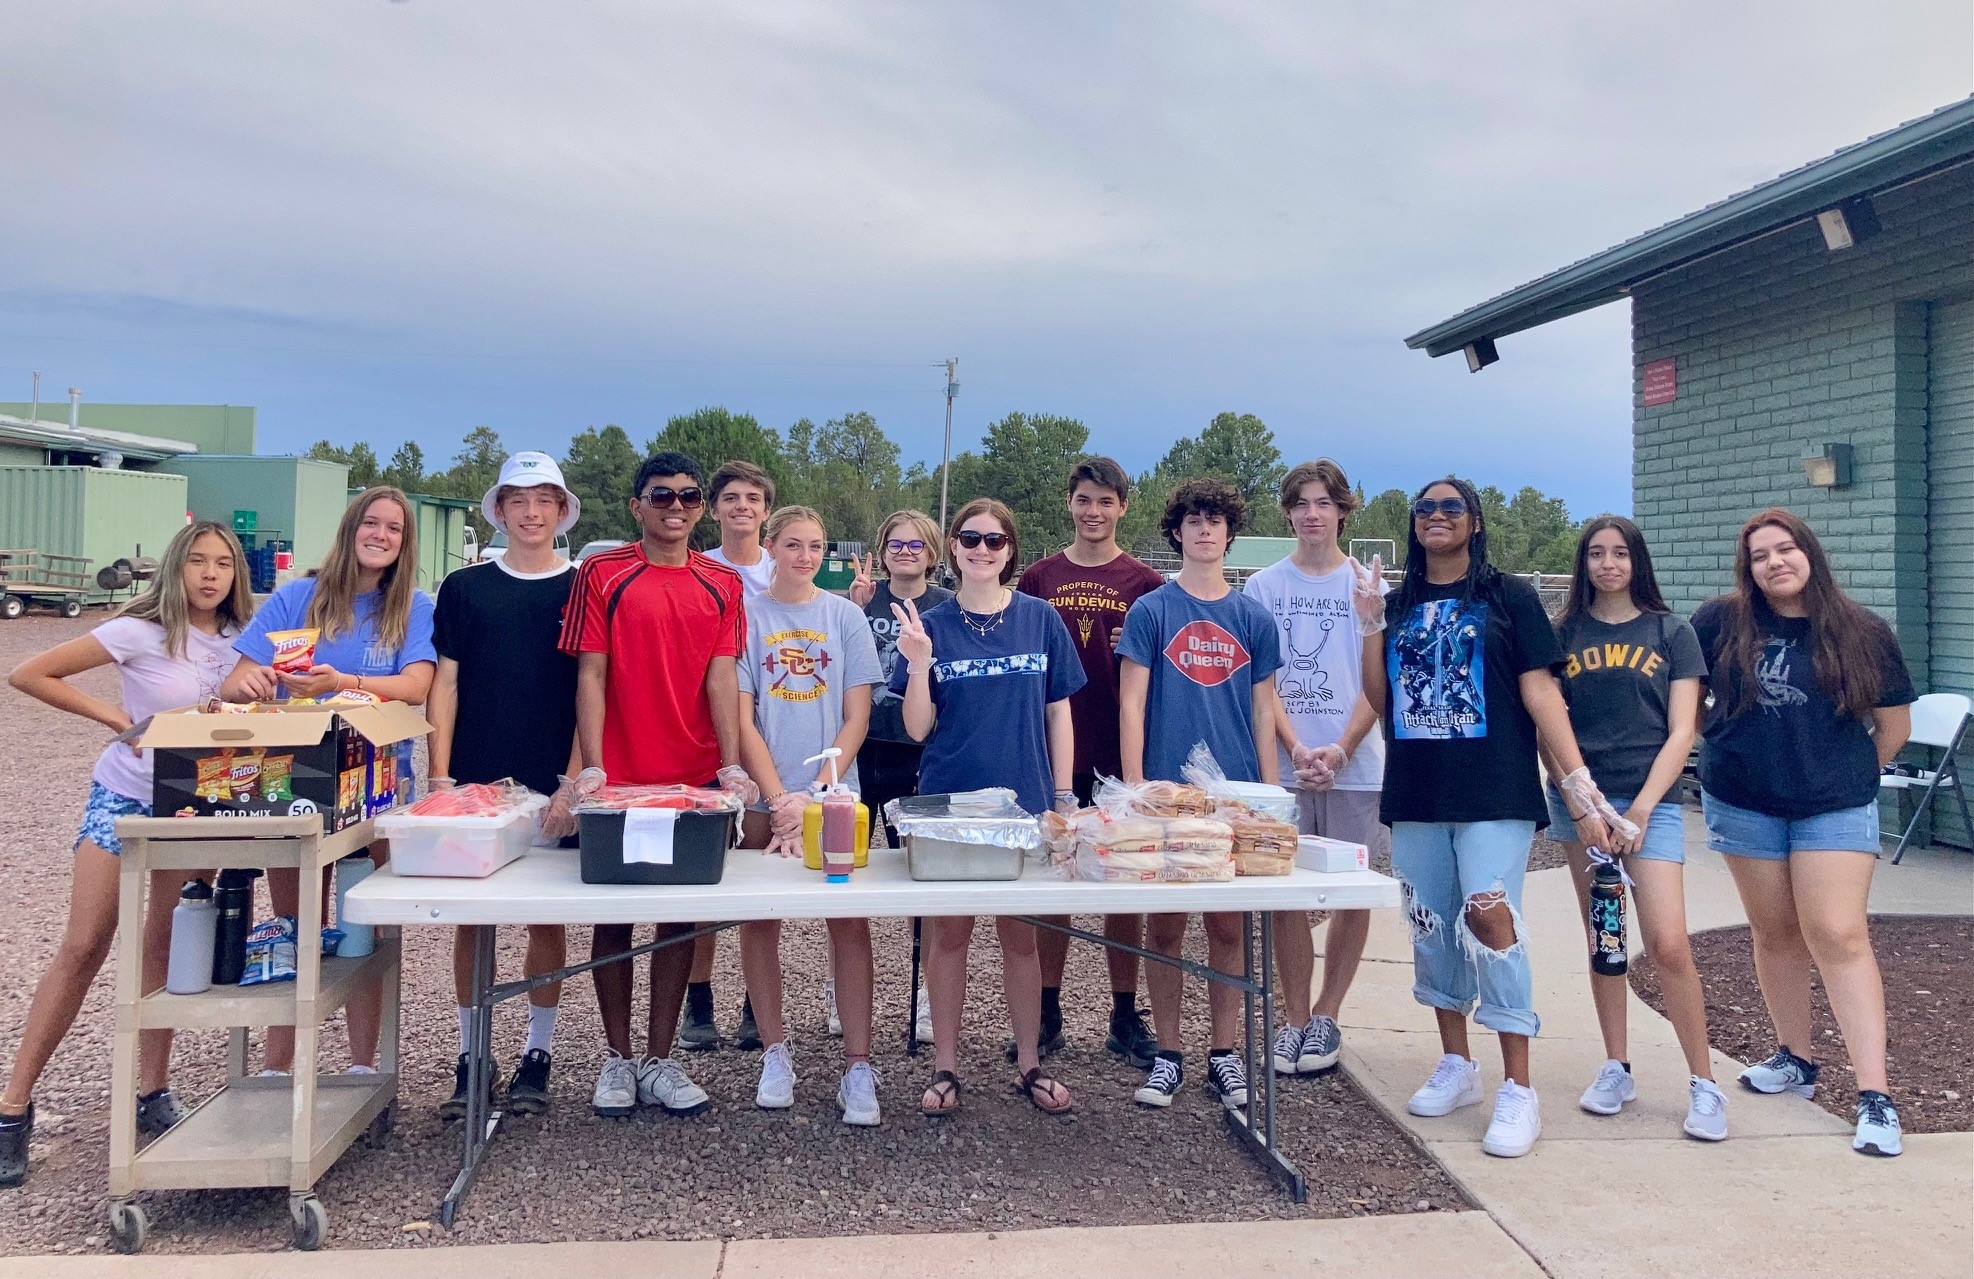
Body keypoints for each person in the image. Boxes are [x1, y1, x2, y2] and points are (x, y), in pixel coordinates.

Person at [1358, 477, 1627, 1160]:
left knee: (1488, 911)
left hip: (1496, 788)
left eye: (1451, 507)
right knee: (1430, 921)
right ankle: (1458, 1064)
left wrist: (1576, 782)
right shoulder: (1398, 602)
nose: (1437, 517)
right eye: (1425, 509)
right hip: (1418, 790)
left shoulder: (1509, 597)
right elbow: (1381, 699)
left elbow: (1542, 692)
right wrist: (1368, 625)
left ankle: (1518, 1085)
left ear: (1474, 522)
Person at [0, 522, 255, 1188]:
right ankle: (12, 1107)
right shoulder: (138, 632)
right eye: (197, 560)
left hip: (195, 804)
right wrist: (116, 720)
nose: (209, 574)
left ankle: (152, 1091)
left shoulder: (240, 642)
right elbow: (29, 672)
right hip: (125, 798)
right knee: (84, 944)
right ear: (175, 567)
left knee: (167, 946)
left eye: (222, 563)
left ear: (236, 575)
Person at [1691, 509, 1914, 1157]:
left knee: (1839, 934)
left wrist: (1843, 776)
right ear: (1748, 568)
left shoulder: (1861, 630)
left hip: (1833, 805)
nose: (1774, 562)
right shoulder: (1718, 622)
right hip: (1743, 801)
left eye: (1785, 548)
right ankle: (1796, 1058)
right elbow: (1689, 702)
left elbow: (1892, 726)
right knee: (1776, 932)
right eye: (1760, 555)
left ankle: (1875, 1096)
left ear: (1808, 553)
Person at [559, 452, 754, 1119]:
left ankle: (660, 1057)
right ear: (637, 504)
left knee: (678, 918)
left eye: (689, 496)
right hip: (619, 773)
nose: (676, 506)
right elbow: (591, 673)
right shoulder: (602, 572)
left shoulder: (722, 582)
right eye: (661, 495)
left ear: (701, 506)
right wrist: (590, 763)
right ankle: (616, 1058)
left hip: (691, 774)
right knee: (613, 916)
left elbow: (722, 676)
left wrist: (731, 763)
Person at [223, 486, 437, 1075]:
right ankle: (278, 1065)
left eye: (394, 529)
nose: (381, 535)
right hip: (295, 777)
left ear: (404, 543)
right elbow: (235, 678)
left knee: (363, 926)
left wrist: (341, 681)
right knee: (296, 925)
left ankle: (364, 1064)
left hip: (379, 781)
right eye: (372, 523)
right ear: (351, 529)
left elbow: (417, 686)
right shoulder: (297, 598)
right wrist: (253, 684)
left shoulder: (413, 607)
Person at [890, 498, 1085, 1118]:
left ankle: (1028, 1062)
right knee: (949, 936)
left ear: (1010, 550)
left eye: (994, 541)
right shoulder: (931, 625)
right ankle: (946, 1065)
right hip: (950, 803)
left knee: (1021, 938)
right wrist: (919, 667)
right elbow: (918, 729)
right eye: (970, 539)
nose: (981, 550)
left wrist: (1061, 797)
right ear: (952, 547)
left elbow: (1060, 712)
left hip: (1024, 803)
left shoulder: (1041, 619)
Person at [1539, 517, 1724, 1139]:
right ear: (1582, 562)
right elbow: (1548, 727)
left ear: (1637, 560)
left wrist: (1641, 810)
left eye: (1620, 553)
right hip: (1581, 806)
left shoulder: (1672, 632)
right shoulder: (1562, 633)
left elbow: (1683, 730)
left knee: (1668, 942)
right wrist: (1585, 805)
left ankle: (1704, 1083)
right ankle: (1617, 1065)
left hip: (1653, 804)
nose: (1608, 563)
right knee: (1606, 938)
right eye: (1596, 553)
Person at [428, 453, 584, 1119]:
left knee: (546, 921)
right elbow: (446, 683)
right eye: (518, 500)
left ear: (560, 511)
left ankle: (538, 1052)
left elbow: (591, 691)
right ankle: (474, 1053)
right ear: (499, 510)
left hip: (551, 783)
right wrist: (440, 777)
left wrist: (574, 782)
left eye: (543, 499)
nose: (530, 512)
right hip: (476, 785)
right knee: (475, 923)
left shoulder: (582, 587)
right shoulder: (463, 588)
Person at [1117, 478, 1282, 1110]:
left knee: (1227, 927)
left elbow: (1265, 708)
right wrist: (1134, 790)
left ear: (1230, 533)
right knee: (1164, 928)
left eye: (1216, 521)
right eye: (1193, 521)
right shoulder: (1153, 611)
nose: (1205, 530)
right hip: (1166, 793)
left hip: (1233, 794)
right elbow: (1131, 702)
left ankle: (1223, 1053)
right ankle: (1168, 1053)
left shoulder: (1253, 618)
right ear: (1177, 533)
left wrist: (1268, 795)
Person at [734, 506, 886, 1123]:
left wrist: (816, 793)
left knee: (847, 924)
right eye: (792, 544)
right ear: (770, 547)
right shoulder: (745, 616)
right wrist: (779, 800)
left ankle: (858, 1064)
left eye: (815, 546)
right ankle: (774, 1050)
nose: (804, 556)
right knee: (759, 920)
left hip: (833, 799)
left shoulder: (844, 615)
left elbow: (858, 716)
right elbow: (741, 717)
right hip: (765, 796)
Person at [1016, 457, 1165, 1068]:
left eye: (1105, 501)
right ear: (1070, 504)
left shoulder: (1146, 585)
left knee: (1121, 884)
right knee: (1053, 882)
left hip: (1117, 751)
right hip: (1055, 751)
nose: (1093, 512)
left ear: (1122, 507)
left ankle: (1124, 1012)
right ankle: (1047, 1009)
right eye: (1084, 500)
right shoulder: (1038, 578)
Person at [1241, 460, 1384, 1079]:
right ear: (1289, 513)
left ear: (1343, 511)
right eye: (1301, 503)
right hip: (1284, 766)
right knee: (1285, 893)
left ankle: (1328, 1013)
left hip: (1357, 764)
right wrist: (1295, 749)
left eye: (1324, 503)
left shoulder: (1369, 586)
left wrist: (1342, 749)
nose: (1312, 514)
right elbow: (1261, 683)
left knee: (1353, 890)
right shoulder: (1265, 589)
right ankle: (1294, 1017)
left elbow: (1378, 682)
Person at [848, 509, 952, 1044]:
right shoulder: (861, 601)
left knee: (921, 875)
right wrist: (853, 608)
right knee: (851, 873)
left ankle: (930, 994)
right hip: (865, 748)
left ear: (932, 553)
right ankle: (841, 988)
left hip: (920, 749)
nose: (905, 552)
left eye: (916, 545)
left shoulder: (944, 608)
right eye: (895, 543)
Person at [685, 458, 775, 1051]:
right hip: (702, 725)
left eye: (752, 498)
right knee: (707, 867)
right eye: (731, 498)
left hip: (771, 725)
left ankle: (755, 1000)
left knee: (759, 867)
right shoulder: (696, 568)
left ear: (766, 509)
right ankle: (698, 1000)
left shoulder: (781, 565)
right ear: (713, 509)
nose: (742, 506)